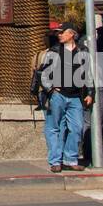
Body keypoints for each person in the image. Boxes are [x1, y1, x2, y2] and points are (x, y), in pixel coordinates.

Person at [38, 23, 90, 173]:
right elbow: (44, 73)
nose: (59, 35)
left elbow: (89, 74)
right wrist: (51, 89)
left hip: (76, 97)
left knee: (77, 128)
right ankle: (55, 161)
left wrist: (90, 93)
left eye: (62, 32)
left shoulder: (83, 51)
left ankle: (70, 159)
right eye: (58, 33)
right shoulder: (54, 51)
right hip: (58, 95)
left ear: (72, 34)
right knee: (53, 128)